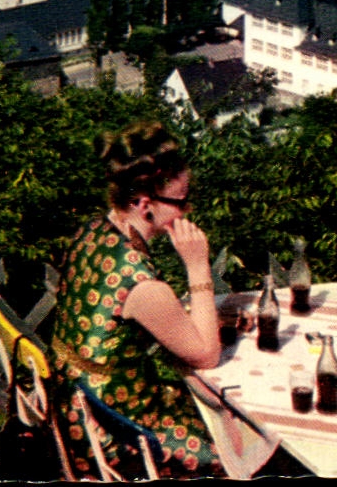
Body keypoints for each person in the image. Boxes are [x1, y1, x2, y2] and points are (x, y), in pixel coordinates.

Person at [49, 121, 220, 477]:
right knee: (232, 442)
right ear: (144, 204)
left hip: (74, 405)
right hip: (115, 433)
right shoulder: (141, 283)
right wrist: (198, 266)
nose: (187, 211)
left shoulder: (93, 230)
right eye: (181, 201)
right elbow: (207, 355)